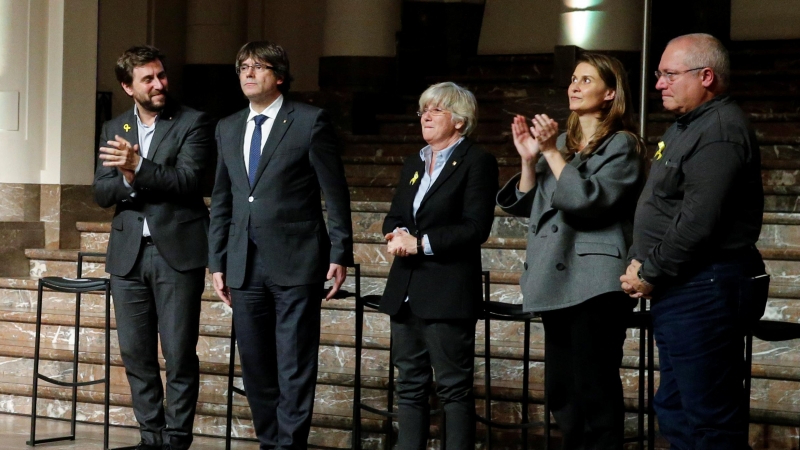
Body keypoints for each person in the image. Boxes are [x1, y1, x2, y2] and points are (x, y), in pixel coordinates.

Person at [620, 33, 767, 449]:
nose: (659, 84)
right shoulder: (690, 125)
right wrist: (639, 262)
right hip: (683, 286)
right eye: (659, 73)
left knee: (708, 418)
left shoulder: (720, 129)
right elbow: (663, 205)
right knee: (677, 406)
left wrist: (649, 270)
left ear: (706, 76)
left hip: (705, 287)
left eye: (669, 74)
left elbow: (699, 221)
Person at [207, 40, 353, 450]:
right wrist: (217, 260)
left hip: (297, 260)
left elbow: (335, 194)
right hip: (243, 264)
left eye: (258, 66)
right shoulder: (228, 126)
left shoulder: (309, 121)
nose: (248, 73)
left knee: (293, 365)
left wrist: (340, 252)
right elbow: (223, 199)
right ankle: (271, 442)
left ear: (280, 75)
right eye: (243, 67)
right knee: (255, 367)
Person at [497, 53, 645, 449]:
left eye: (586, 80)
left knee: (594, 387)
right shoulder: (560, 143)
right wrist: (530, 161)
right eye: (573, 79)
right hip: (553, 276)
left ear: (610, 92)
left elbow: (587, 200)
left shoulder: (623, 145)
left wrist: (549, 154)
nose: (574, 86)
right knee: (562, 391)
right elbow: (533, 204)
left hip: (595, 282)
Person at [93, 45, 214, 450]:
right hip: (128, 257)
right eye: (148, 79)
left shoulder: (192, 122)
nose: (159, 84)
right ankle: (151, 438)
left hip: (176, 253)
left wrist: (137, 167)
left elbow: (190, 181)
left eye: (161, 75)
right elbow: (101, 191)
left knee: (179, 354)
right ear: (128, 87)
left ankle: (177, 440)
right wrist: (128, 179)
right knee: (135, 353)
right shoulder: (116, 127)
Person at [380, 82, 498, 450]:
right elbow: (396, 215)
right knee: (410, 385)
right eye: (423, 110)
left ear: (460, 121)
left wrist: (420, 244)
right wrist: (396, 232)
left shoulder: (477, 162)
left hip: (447, 292)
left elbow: (475, 227)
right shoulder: (415, 161)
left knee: (452, 388)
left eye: (436, 110)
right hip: (405, 291)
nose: (426, 117)